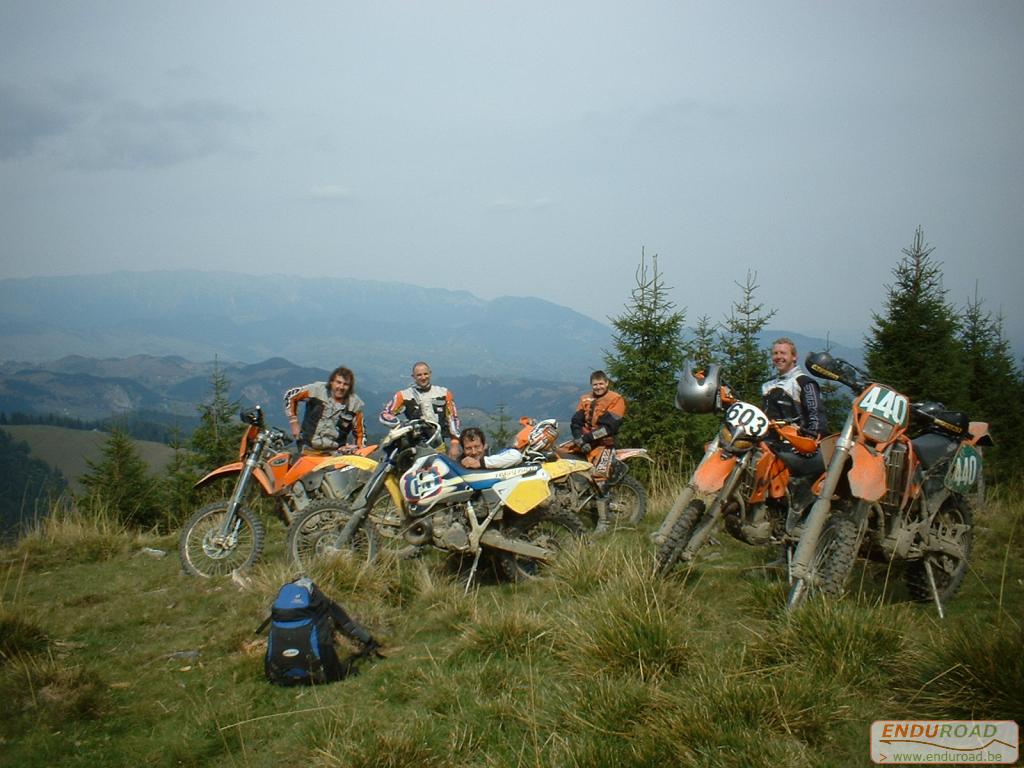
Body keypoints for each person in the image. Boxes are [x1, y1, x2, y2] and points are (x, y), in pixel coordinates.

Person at [569, 370, 627, 533]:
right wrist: (579, 439)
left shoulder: (616, 399)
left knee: (600, 479)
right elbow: (576, 421)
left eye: (601, 384)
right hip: (585, 442)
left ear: (607, 383)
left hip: (604, 444)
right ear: (591, 385)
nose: (598, 387)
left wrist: (586, 439)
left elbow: (609, 427)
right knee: (560, 459)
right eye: (595, 384)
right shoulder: (585, 399)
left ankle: (604, 523)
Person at [380, 361, 461, 458]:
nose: (423, 377)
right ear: (413, 377)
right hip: (414, 447)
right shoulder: (403, 395)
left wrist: (455, 444)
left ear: (430, 374)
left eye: (425, 374)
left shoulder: (444, 393)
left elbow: (453, 419)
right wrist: (399, 425)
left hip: (439, 445)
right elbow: (385, 414)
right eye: (419, 375)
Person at [284, 366, 365, 454]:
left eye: (346, 384)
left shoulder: (354, 405)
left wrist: (357, 449)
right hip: (307, 447)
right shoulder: (316, 390)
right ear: (331, 382)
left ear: (350, 387)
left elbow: (360, 434)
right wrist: (294, 422)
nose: (341, 387)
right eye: (338, 382)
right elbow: (290, 396)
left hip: (335, 454)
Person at [760, 338, 827, 440]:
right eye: (775, 353)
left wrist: (809, 441)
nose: (778, 357)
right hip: (768, 443)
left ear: (794, 357)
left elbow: (816, 417)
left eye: (783, 353)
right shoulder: (767, 384)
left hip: (795, 445)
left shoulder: (804, 383)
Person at [458, 427, 523, 470]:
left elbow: (516, 455)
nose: (474, 452)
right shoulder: (458, 464)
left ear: (484, 446)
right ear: (463, 449)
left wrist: (481, 463)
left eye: (477, 447)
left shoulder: (493, 453)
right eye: (468, 448)